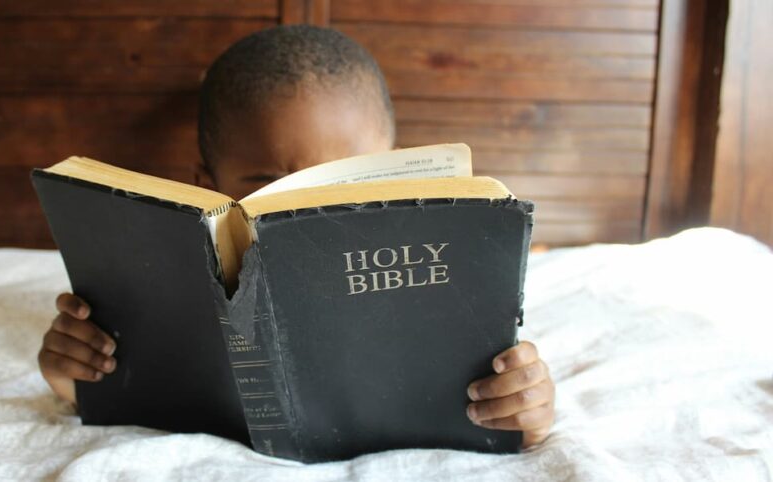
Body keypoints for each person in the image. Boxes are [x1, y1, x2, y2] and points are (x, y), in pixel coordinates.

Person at [37, 25, 555, 448]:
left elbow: (511, 406)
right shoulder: (166, 283)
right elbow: (113, 388)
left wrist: (522, 407)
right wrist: (76, 373)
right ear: (206, 187)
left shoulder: (444, 276)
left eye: (348, 179)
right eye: (270, 186)